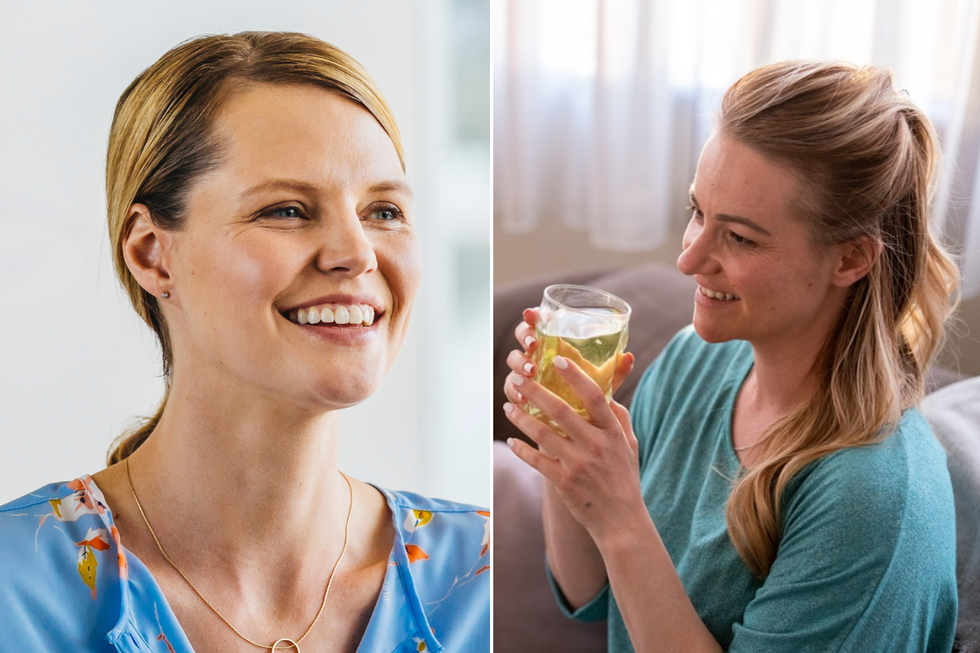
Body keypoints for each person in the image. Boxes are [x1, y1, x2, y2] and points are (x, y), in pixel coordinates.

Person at [0, 32, 489, 653]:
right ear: (153, 254)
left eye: (384, 211)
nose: (357, 253)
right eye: (286, 210)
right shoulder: (15, 588)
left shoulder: (481, 579)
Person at [503, 60, 959, 652]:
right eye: (698, 213)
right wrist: (567, 443)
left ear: (850, 259)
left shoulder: (870, 500)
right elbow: (587, 592)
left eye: (739, 237)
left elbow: (620, 548)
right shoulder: (696, 361)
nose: (688, 260)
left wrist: (621, 517)